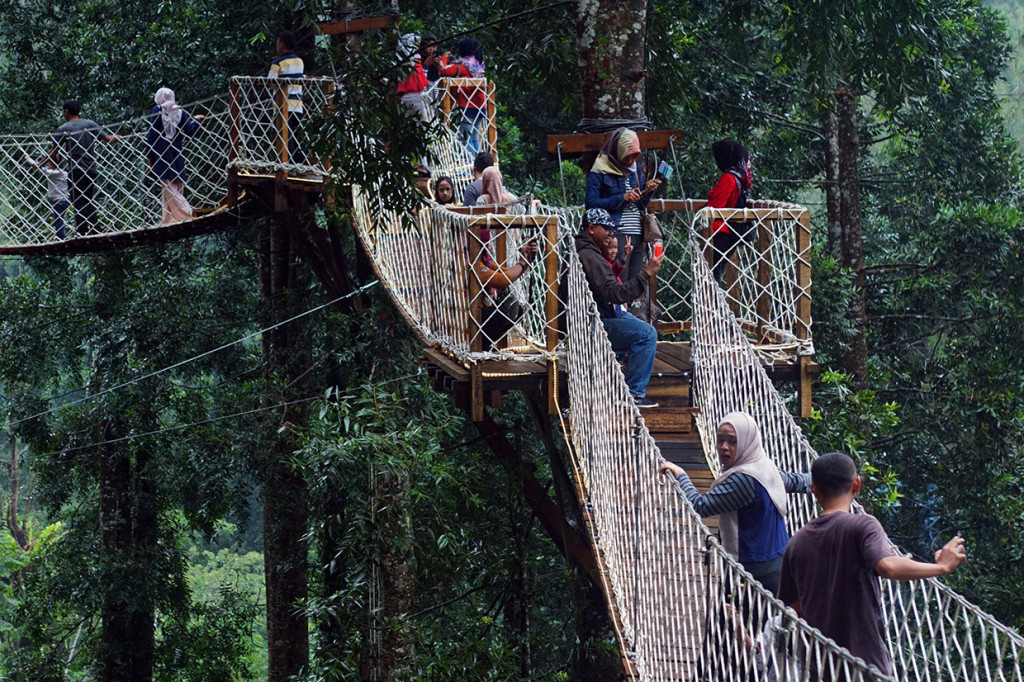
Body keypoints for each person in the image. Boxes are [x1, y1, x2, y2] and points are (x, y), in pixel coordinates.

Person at [778, 452, 967, 677]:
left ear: (813, 489)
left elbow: (792, 606)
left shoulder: (796, 542)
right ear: (856, 485)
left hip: (822, 666)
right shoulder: (863, 525)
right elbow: (887, 566)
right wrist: (941, 568)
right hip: (865, 663)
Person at [659, 412, 811, 595]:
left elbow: (700, 506)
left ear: (747, 442)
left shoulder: (743, 480)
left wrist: (680, 474)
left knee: (732, 620)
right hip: (779, 559)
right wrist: (823, 479)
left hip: (751, 569)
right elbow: (795, 481)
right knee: (765, 620)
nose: (724, 447)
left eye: (732, 441)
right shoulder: (765, 465)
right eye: (720, 440)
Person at [575, 208, 663, 408]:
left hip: (598, 315)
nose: (609, 234)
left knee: (637, 325)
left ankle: (624, 374)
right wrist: (647, 273)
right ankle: (634, 393)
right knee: (646, 334)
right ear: (591, 228)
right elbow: (615, 293)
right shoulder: (590, 257)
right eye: (605, 229)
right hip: (589, 324)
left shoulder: (589, 252)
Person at [584, 127, 661, 284]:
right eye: (628, 155)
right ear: (618, 150)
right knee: (618, 282)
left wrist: (648, 191)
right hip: (615, 233)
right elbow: (591, 204)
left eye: (635, 156)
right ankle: (618, 310)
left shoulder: (635, 169)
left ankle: (629, 308)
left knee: (635, 282)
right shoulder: (600, 170)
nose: (631, 160)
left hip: (637, 234)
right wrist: (622, 198)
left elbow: (640, 205)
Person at [45, 99, 119, 236]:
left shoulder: (64, 129)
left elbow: (54, 152)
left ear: (66, 112)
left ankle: (83, 230)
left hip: (76, 170)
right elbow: (107, 138)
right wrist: (116, 137)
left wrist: (40, 163)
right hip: (91, 168)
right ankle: (94, 227)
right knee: (87, 198)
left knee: (77, 199)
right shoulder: (89, 124)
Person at [145, 88, 204, 224]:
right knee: (175, 186)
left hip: (162, 154)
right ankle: (169, 219)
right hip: (176, 153)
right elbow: (191, 130)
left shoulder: (158, 109)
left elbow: (152, 133)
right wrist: (197, 121)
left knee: (168, 187)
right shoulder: (180, 111)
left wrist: (149, 154)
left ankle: (186, 213)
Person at [473, 235, 538, 349]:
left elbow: (507, 273)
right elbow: (502, 280)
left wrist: (526, 261)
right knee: (505, 312)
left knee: (518, 309)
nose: (488, 245)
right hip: (468, 317)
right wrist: (522, 263)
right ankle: (477, 344)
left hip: (478, 313)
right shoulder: (474, 264)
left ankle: (483, 343)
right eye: (486, 243)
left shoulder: (483, 262)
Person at [707, 138, 754, 282]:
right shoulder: (740, 178)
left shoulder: (728, 178)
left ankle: (712, 304)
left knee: (710, 277)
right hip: (729, 235)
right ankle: (712, 303)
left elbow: (716, 209)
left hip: (721, 234)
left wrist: (707, 236)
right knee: (714, 275)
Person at [438, 38, 487, 157]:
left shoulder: (463, 65)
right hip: (481, 105)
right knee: (474, 138)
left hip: (468, 106)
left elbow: (443, 70)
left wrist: (443, 58)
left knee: (466, 139)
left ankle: (470, 168)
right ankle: (480, 166)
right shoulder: (479, 65)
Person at [268, 31, 306, 167]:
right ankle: (300, 162)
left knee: (285, 135)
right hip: (297, 103)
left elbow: (270, 82)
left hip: (282, 104)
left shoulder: (278, 63)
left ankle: (286, 163)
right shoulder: (299, 61)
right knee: (297, 133)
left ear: (282, 45)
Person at [24, 154, 71, 239]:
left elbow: (37, 167)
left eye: (49, 164)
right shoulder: (64, 173)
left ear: (52, 164)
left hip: (58, 201)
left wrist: (28, 159)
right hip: (65, 200)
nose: (48, 166)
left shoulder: (53, 173)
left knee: (58, 220)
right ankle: (61, 236)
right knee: (60, 219)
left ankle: (61, 238)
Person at [396, 33, 429, 121]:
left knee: (410, 121)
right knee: (422, 121)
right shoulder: (412, 60)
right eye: (416, 45)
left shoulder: (399, 60)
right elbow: (419, 79)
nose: (417, 47)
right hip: (414, 94)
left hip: (406, 95)